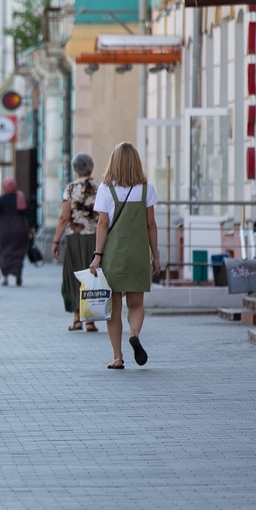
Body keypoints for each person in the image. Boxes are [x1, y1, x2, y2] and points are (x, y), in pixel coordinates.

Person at [87, 142, 161, 370]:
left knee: (114, 309)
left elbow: (102, 223)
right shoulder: (147, 188)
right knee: (136, 304)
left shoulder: (105, 189)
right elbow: (150, 224)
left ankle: (118, 357)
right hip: (138, 254)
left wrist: (97, 255)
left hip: (113, 255)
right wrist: (155, 256)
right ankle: (135, 334)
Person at [52, 153, 100, 332]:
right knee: (93, 277)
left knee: (74, 277)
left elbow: (64, 218)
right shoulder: (101, 187)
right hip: (97, 238)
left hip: (75, 238)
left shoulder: (71, 188)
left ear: (75, 169)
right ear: (91, 167)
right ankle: (91, 320)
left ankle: (77, 318)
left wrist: (56, 240)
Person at [0, 177, 36, 286]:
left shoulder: (2, 199)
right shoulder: (21, 197)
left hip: (4, 228)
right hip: (20, 227)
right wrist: (32, 227)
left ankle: (5, 277)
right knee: (18, 252)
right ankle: (17, 273)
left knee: (3, 252)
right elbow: (28, 213)